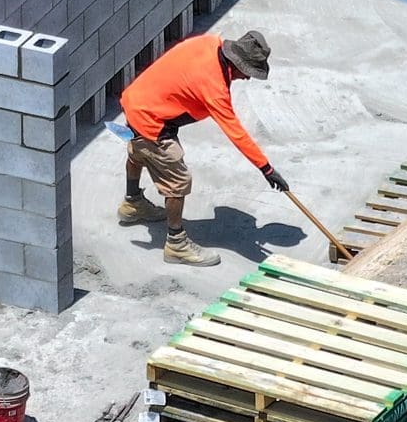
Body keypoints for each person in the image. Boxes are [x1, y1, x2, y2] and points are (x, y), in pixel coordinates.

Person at [118, 29, 288, 266]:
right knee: (178, 179)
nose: (247, 78)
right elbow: (235, 132)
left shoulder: (207, 44)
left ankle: (132, 203)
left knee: (139, 150)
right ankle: (176, 244)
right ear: (236, 64)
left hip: (137, 99)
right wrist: (266, 168)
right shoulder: (214, 87)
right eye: (248, 72)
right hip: (152, 118)